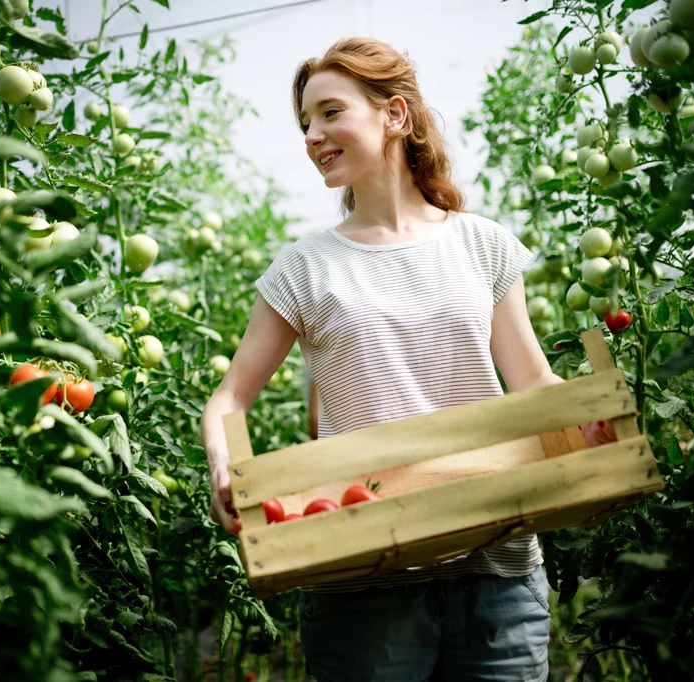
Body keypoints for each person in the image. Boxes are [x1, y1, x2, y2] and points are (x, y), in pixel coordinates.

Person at [199, 36, 617, 681]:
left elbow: (532, 379)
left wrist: (585, 421)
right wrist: (226, 467)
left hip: (497, 572)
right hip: (362, 576)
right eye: (305, 123)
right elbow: (231, 397)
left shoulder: (483, 244)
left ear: (394, 115)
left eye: (331, 113)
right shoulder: (307, 266)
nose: (313, 135)